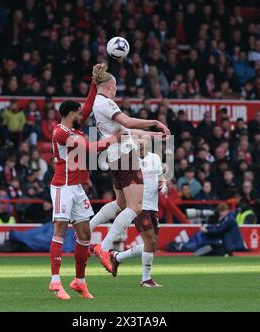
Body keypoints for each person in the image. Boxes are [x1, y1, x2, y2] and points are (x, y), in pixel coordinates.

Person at [90, 63, 170, 273]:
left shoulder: (99, 105)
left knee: (121, 203)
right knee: (135, 207)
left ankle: (87, 229)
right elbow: (128, 122)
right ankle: (104, 247)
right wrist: (154, 121)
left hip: (116, 157)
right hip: (126, 157)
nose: (115, 91)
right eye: (115, 87)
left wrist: (155, 135)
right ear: (109, 85)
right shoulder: (106, 103)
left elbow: (127, 132)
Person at [49, 73, 122, 300]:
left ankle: (79, 281)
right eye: (79, 114)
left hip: (77, 187)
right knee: (60, 230)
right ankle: (55, 281)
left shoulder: (74, 128)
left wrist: (93, 81)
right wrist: (113, 139)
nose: (84, 115)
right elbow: (89, 149)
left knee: (84, 234)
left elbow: (89, 105)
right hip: (62, 186)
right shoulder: (61, 132)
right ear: (71, 115)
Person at [108, 138, 168, 287]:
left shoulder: (155, 158)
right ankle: (146, 279)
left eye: (142, 143)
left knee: (151, 244)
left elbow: (160, 177)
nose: (140, 146)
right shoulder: (129, 163)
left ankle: (117, 256)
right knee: (150, 241)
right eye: (137, 143)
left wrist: (163, 185)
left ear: (147, 144)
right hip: (138, 206)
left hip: (153, 206)